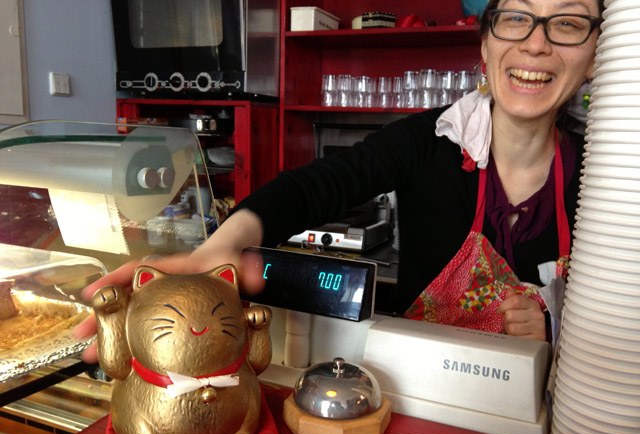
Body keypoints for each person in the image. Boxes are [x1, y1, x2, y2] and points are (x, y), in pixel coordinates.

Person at [75, 0, 603, 363]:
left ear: (598, 51)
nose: (536, 44)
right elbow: (317, 185)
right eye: (516, 19)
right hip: (424, 383)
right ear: (485, 44)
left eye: (569, 23)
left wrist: (554, 332)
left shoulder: (607, 173)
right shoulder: (429, 139)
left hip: (546, 412)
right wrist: (211, 252)